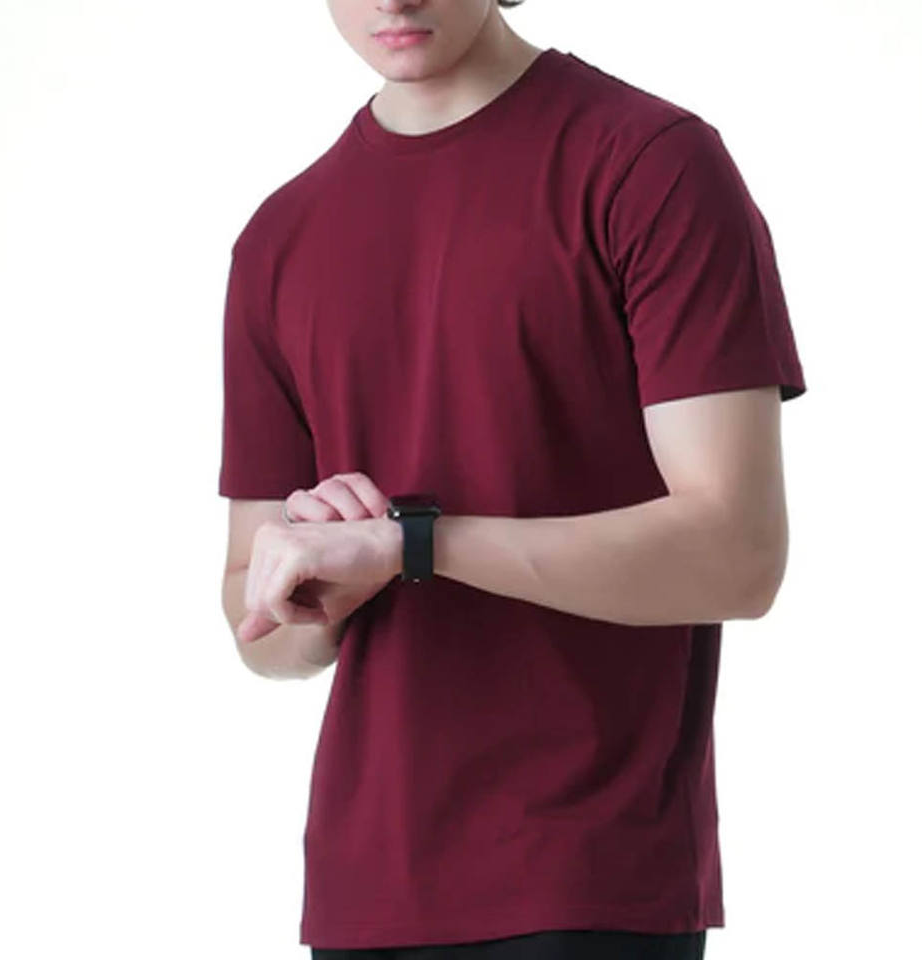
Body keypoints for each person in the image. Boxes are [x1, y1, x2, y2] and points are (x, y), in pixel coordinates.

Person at [217, 1, 807, 958]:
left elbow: (737, 556)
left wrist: (412, 544)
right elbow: (256, 626)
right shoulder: (278, 238)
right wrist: (316, 588)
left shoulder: (651, 163)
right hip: (363, 889)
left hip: (590, 875)